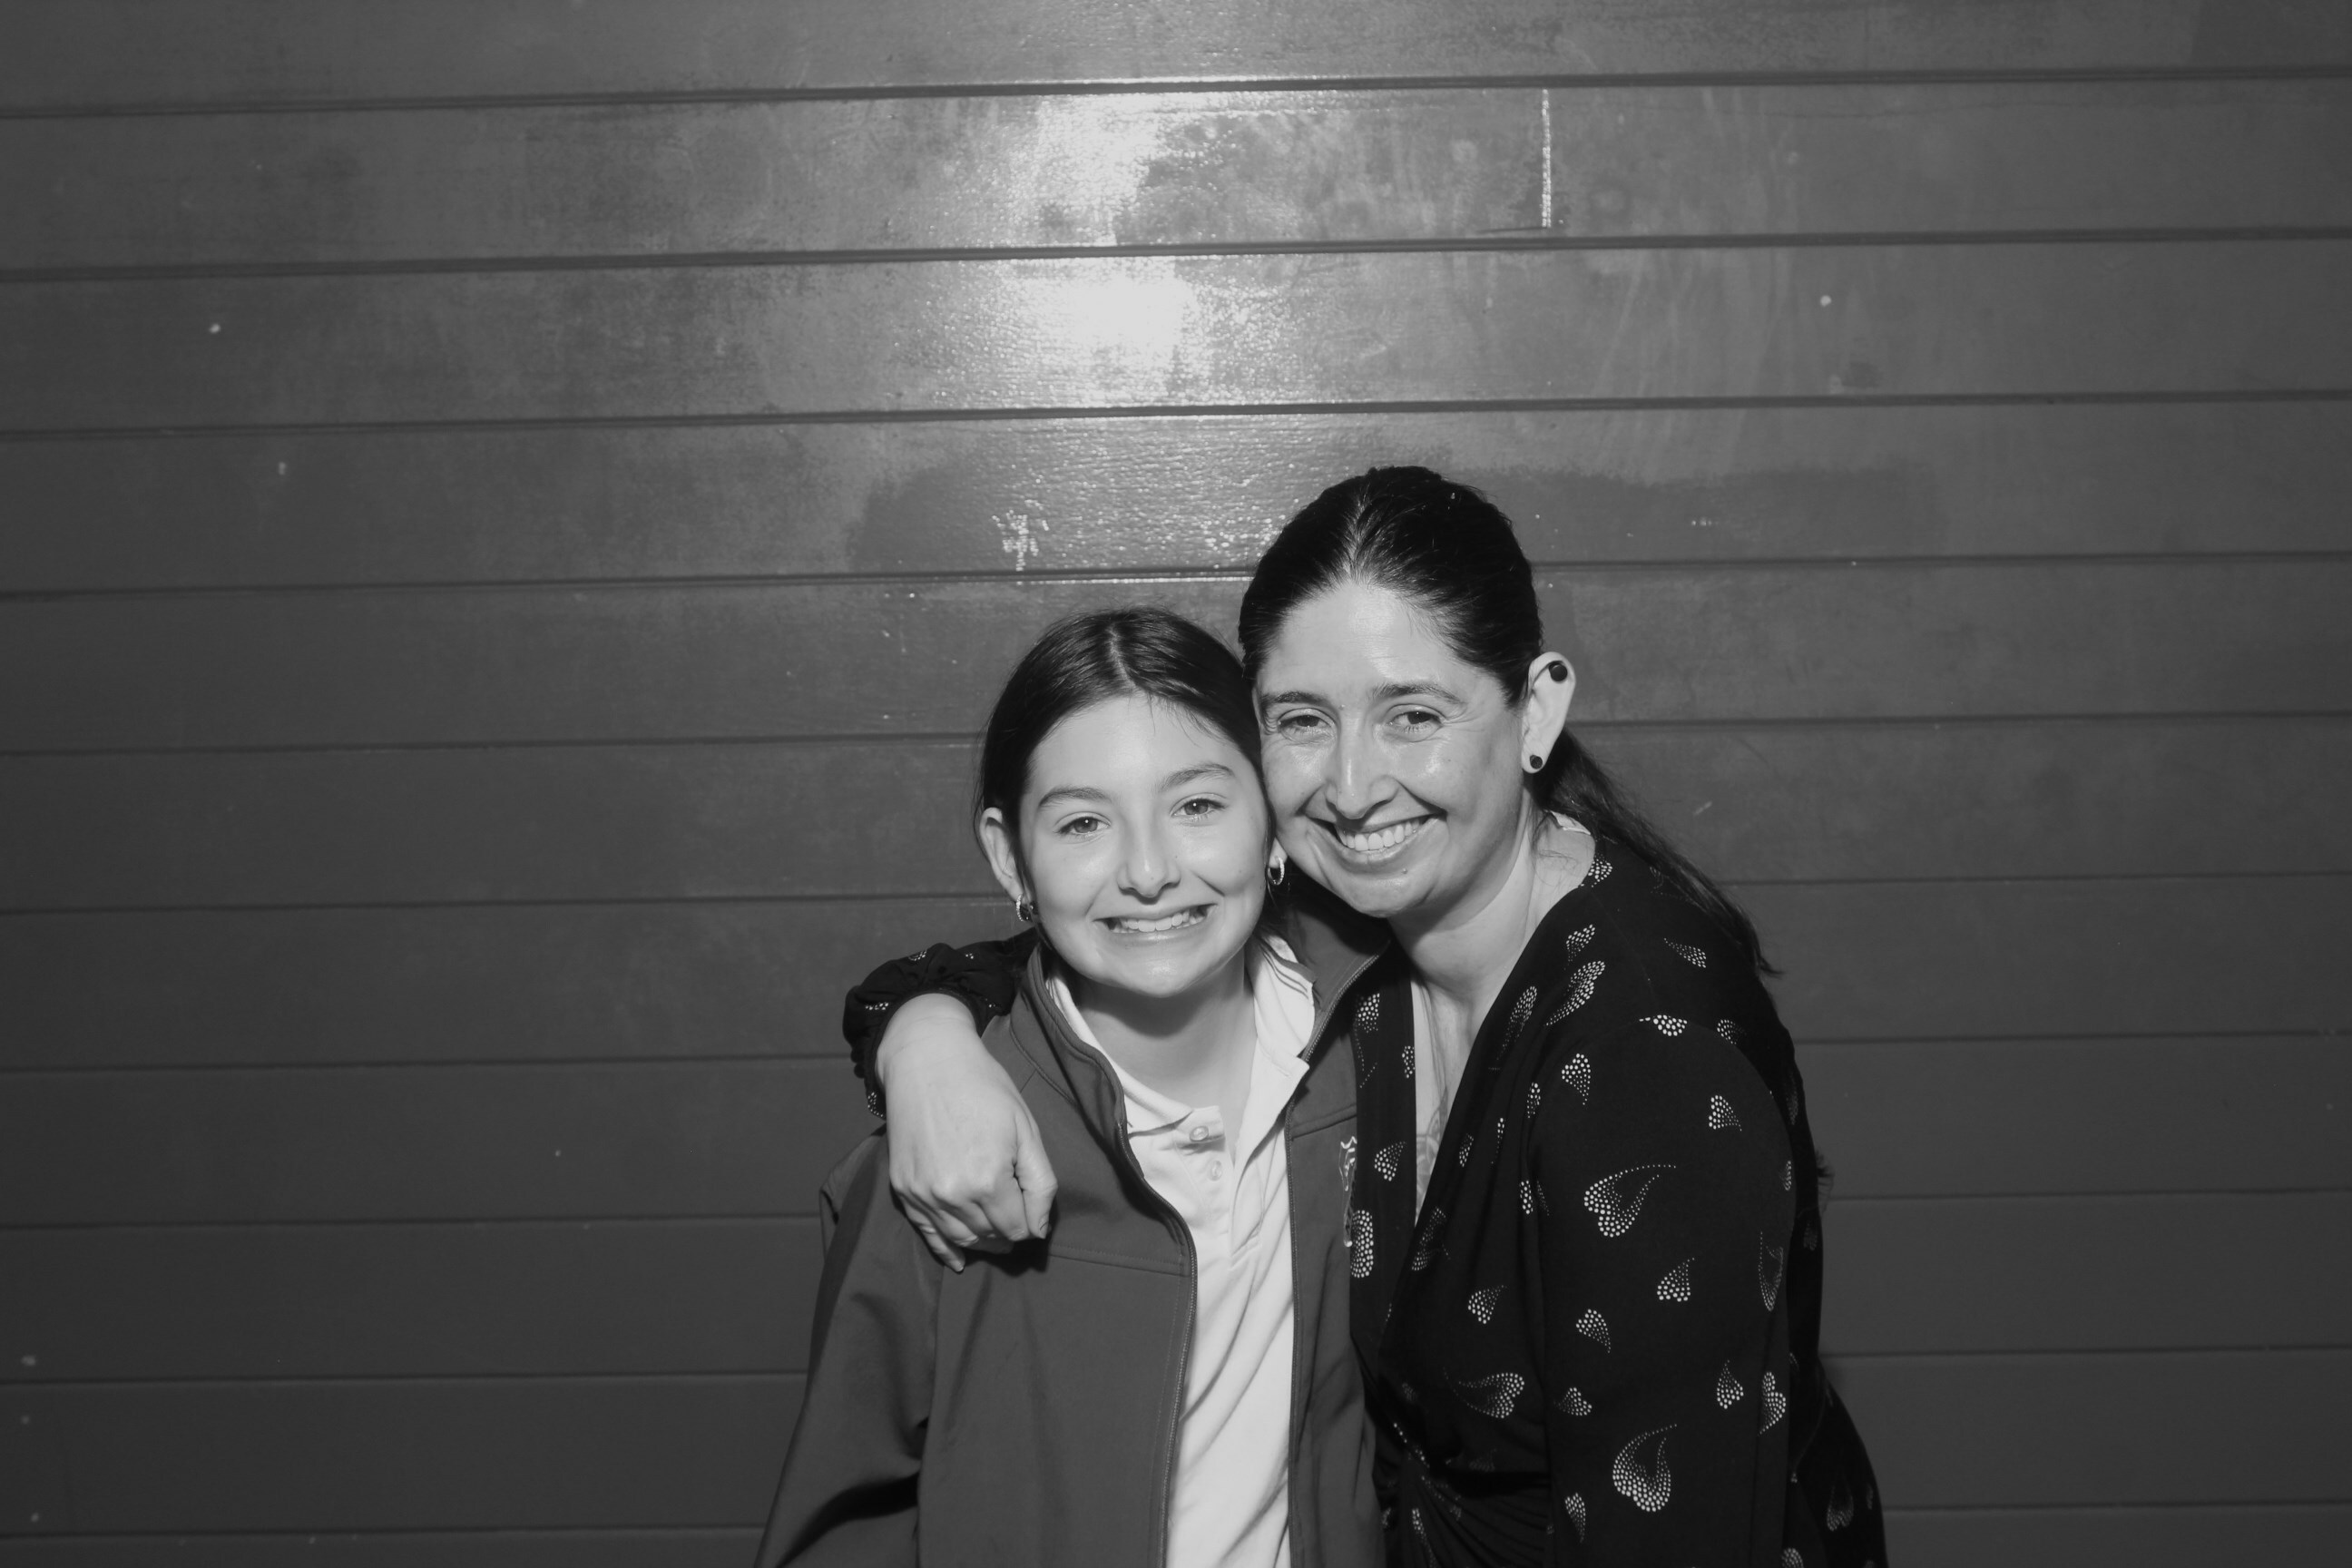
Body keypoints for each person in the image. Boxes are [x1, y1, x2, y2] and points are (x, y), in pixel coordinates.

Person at [840, 469, 1887, 1566]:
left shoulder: (1643, 1048)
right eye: (1303, 722)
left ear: (1535, 710)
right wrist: (925, 1041)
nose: (1350, 787)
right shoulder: (1358, 934)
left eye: (1413, 717)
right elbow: (1093, 936)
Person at [759, 607, 1380, 1568]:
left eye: (1198, 806)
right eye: (1085, 822)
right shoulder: (944, 1163)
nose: (1149, 872)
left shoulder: (1379, 1044)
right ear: (1012, 857)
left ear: (1272, 818)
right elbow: (840, 1527)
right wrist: (921, 1034)